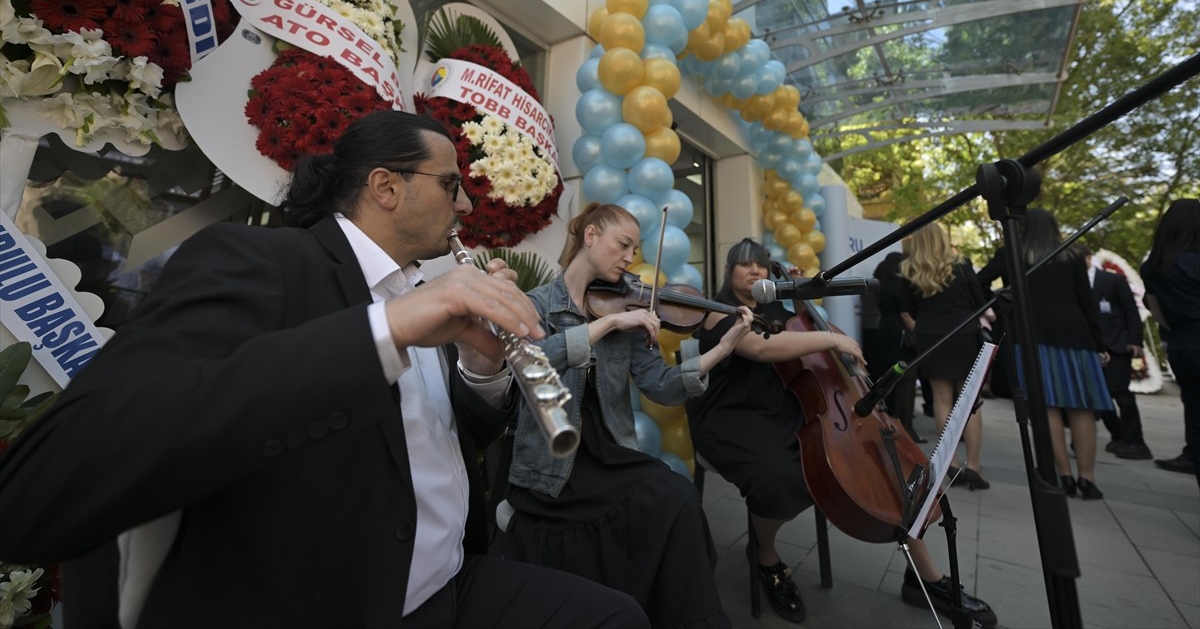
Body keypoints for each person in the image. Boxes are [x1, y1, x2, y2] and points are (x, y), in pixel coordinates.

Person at [0, 111, 649, 629]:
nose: (466, 210)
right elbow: (41, 491)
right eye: (451, 186)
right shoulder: (261, 260)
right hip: (333, 603)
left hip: (450, 580)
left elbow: (439, 442)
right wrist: (385, 330)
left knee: (615, 616)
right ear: (386, 187)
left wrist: (482, 370)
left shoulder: (422, 286)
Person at [687, 238, 998, 628]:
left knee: (887, 469)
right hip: (733, 417)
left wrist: (801, 299)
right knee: (781, 479)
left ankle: (925, 578)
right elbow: (760, 347)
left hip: (783, 411)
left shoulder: (778, 310)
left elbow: (798, 343)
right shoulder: (718, 313)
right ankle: (764, 554)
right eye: (744, 265)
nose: (754, 272)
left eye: (762, 266)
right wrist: (833, 337)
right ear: (729, 271)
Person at [501, 202, 754, 629]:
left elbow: (663, 387)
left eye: (635, 249)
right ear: (591, 236)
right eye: (623, 244)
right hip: (555, 463)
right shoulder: (538, 304)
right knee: (669, 502)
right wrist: (604, 327)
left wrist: (723, 349)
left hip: (609, 451)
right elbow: (529, 364)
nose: (630, 258)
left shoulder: (625, 308)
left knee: (679, 498)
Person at [977, 208, 1112, 499]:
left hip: (1030, 337)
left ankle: (1062, 475)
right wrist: (1099, 344)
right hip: (1077, 338)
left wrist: (1001, 304)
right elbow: (1086, 302)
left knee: (1046, 407)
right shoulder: (1072, 254)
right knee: (1082, 408)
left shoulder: (1010, 254)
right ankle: (1087, 479)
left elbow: (978, 281)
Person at [899, 223, 990, 490]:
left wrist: (925, 328)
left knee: (942, 400)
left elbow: (906, 309)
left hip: (931, 337)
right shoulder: (962, 265)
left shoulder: (910, 269)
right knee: (970, 402)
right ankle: (973, 465)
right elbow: (979, 299)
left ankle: (950, 462)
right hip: (963, 333)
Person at [1139, 198, 1200, 483]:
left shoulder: (1154, 266)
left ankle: (1192, 454)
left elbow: (1157, 313)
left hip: (1181, 344)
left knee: (1193, 406)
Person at [1083, 246, 1151, 460]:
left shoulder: (1112, 280)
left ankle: (1135, 442)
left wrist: (1134, 341)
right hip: (1091, 347)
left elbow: (1131, 310)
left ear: (1088, 258)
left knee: (1119, 392)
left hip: (1118, 345)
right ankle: (1119, 435)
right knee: (1098, 395)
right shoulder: (1074, 284)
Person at [873, 251, 923, 442]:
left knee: (893, 375)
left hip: (886, 329)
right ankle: (907, 426)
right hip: (901, 332)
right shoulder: (901, 284)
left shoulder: (882, 283)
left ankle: (893, 420)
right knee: (908, 377)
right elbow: (905, 314)